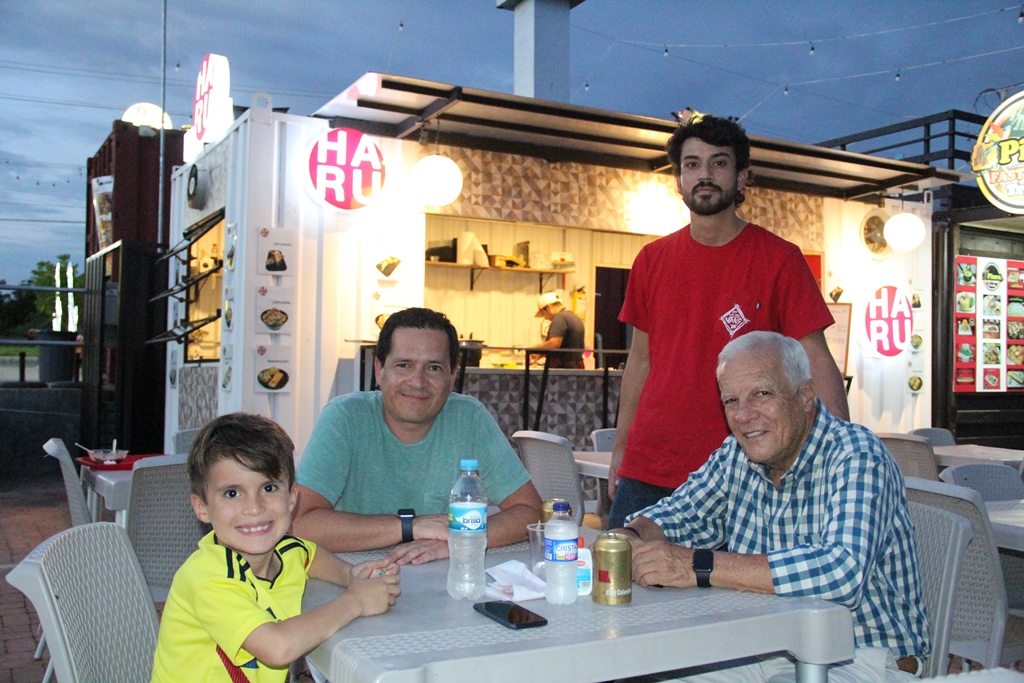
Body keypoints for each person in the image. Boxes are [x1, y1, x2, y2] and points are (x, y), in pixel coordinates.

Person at [618, 332, 928, 682]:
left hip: (859, 657)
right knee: (647, 672)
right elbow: (677, 516)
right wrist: (626, 537)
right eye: (731, 401)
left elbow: (841, 572)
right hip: (761, 647)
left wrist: (696, 564)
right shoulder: (737, 455)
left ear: (806, 395)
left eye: (761, 394)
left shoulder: (855, 454)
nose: (745, 415)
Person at [608, 110, 850, 529]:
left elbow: (817, 359)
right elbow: (640, 363)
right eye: (692, 164)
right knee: (615, 583)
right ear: (679, 179)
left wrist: (842, 454)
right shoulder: (651, 260)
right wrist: (620, 451)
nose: (705, 174)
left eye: (719, 163)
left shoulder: (780, 259)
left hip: (745, 471)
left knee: (727, 592)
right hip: (650, 466)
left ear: (742, 178)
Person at [151, 413, 401, 683]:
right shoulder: (208, 579)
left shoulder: (286, 550)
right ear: (201, 507)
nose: (255, 508)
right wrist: (356, 600)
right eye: (232, 493)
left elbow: (310, 555)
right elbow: (277, 648)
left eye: (268, 488)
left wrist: (352, 576)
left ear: (292, 497)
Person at [292, 307, 542, 565]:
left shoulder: (469, 418)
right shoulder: (345, 417)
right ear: (379, 370)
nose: (418, 381)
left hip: (442, 581)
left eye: (433, 368)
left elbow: (531, 512)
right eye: (404, 365)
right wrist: (411, 527)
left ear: (452, 376)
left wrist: (462, 539)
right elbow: (299, 524)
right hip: (355, 579)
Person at [531, 291, 585, 369]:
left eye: (543, 314)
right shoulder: (574, 317)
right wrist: (541, 353)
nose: (545, 318)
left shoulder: (560, 318)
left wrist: (533, 349)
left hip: (562, 372)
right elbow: (567, 345)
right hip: (576, 369)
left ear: (548, 308)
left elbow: (554, 344)